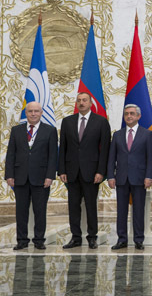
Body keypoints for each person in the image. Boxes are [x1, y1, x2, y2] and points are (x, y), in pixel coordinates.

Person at [58, 92, 111, 249]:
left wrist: (101, 171)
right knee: (73, 205)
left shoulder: (101, 122)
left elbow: (105, 150)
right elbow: (63, 148)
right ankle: (76, 237)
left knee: (91, 206)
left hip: (92, 172)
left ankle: (92, 236)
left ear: (90, 103)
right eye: (79, 100)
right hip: (71, 171)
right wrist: (61, 170)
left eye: (84, 100)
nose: (81, 103)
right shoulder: (67, 122)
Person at [4, 102, 57, 250]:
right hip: (20, 177)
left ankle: (39, 239)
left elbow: (53, 156)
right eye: (30, 111)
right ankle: (22, 240)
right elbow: (11, 154)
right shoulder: (16, 130)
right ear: (26, 113)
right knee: (21, 211)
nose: (33, 114)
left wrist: (50, 176)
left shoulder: (50, 131)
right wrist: (9, 175)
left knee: (40, 210)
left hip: (41, 178)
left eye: (36, 111)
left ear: (41, 113)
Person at [107, 104, 152, 250]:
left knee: (139, 210)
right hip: (121, 178)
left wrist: (149, 176)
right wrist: (110, 176)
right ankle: (122, 239)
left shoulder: (146, 134)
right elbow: (111, 158)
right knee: (121, 210)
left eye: (132, 114)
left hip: (140, 178)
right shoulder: (117, 134)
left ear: (138, 116)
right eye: (126, 114)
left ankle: (138, 239)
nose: (129, 116)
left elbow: (150, 158)